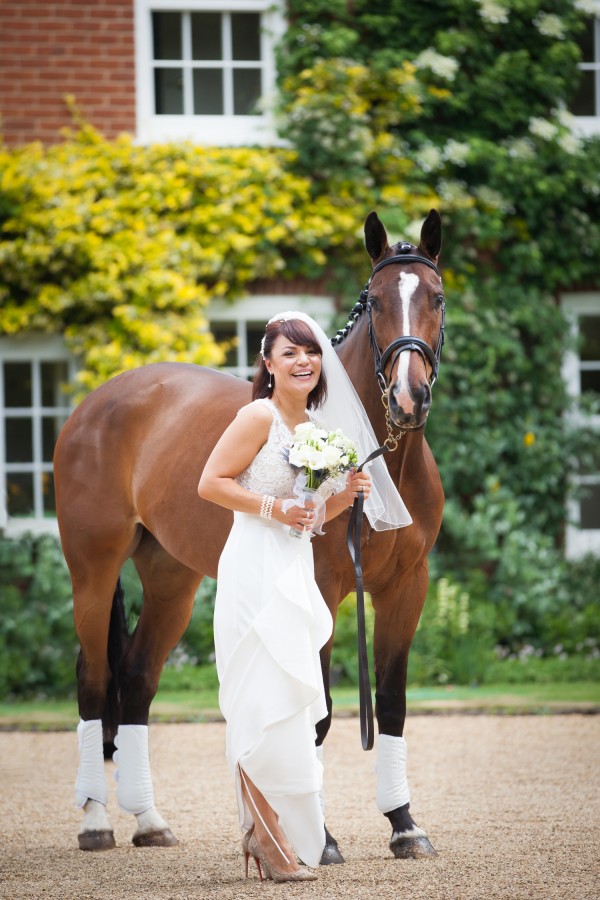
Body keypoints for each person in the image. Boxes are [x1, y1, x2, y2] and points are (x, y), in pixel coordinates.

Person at [198, 310, 411, 883]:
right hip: (251, 566)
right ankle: (265, 838)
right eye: (289, 353)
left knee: (291, 706)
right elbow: (210, 483)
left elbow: (308, 517)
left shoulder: (315, 433)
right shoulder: (257, 416)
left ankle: (271, 834)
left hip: (292, 568)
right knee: (258, 703)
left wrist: (346, 496)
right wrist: (274, 507)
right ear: (268, 364)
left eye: (311, 352)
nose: (303, 362)